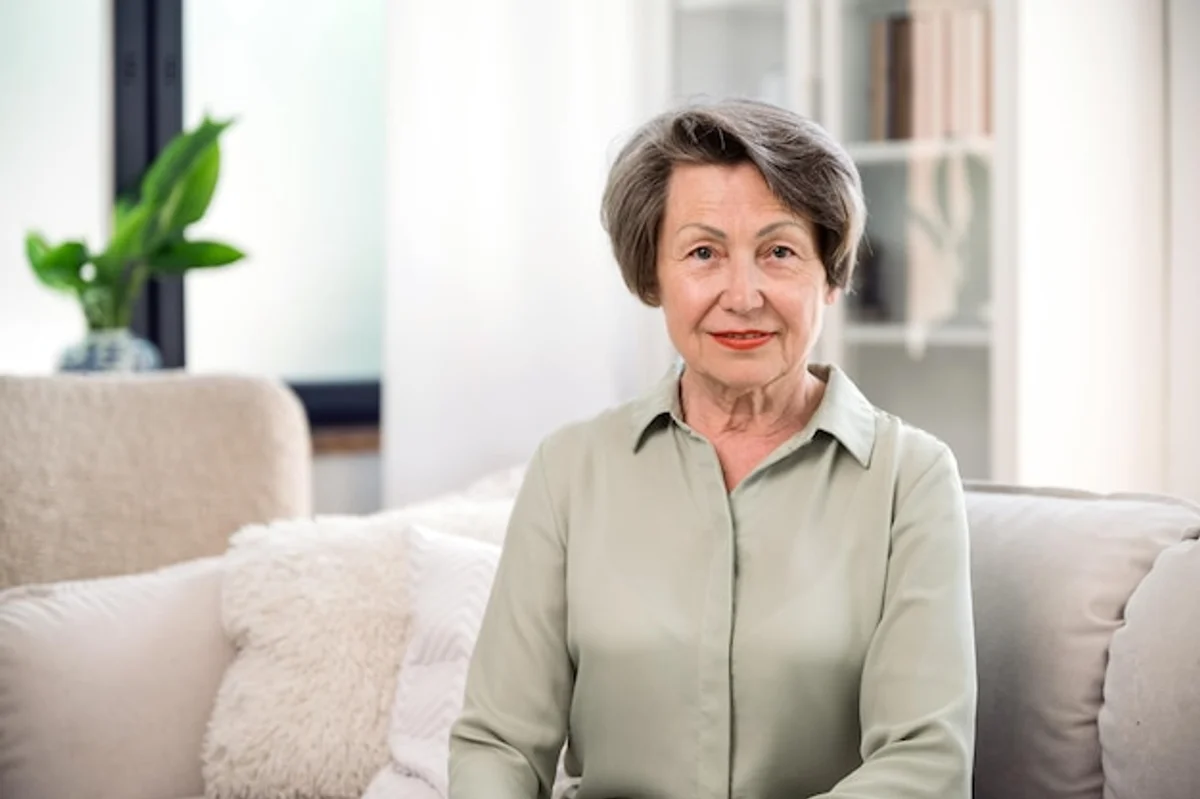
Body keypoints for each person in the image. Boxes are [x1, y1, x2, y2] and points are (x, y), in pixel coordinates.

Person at [448, 98, 977, 799]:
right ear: (652, 274)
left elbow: (925, 760)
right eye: (703, 253)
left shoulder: (911, 478)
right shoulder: (570, 471)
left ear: (830, 274)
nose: (743, 293)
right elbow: (499, 743)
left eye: (779, 252)